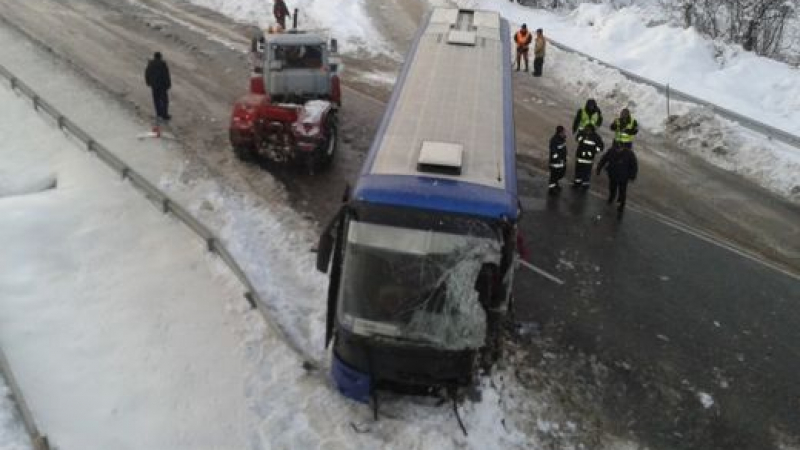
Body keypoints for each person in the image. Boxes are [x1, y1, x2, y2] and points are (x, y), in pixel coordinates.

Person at [597, 142, 638, 215]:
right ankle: (611, 197)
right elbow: (604, 159)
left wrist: (632, 176)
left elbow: (634, 166)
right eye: (617, 148)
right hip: (612, 174)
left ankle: (621, 204)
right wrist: (599, 168)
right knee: (612, 188)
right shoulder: (611, 151)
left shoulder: (629, 154)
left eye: (620, 148)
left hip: (623, 177)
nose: (618, 150)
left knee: (622, 191)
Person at [572, 124, 604, 189]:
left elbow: (600, 147)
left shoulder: (596, 137)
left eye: (587, 129)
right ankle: (577, 183)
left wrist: (593, 151)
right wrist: (581, 134)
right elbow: (577, 139)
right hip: (581, 157)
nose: (586, 130)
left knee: (586, 172)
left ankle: (585, 184)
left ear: (590, 130)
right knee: (578, 171)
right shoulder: (582, 134)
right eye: (585, 129)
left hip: (588, 158)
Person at [144, 51, 171, 122]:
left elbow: (147, 73)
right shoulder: (163, 64)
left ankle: (159, 113)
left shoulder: (150, 64)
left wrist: (148, 82)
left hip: (154, 85)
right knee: (164, 100)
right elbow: (166, 74)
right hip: (162, 85)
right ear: (160, 57)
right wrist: (168, 84)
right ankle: (164, 114)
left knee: (156, 99)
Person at [548, 125, 568, 195]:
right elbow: (554, 151)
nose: (564, 133)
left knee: (559, 174)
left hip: (561, 162)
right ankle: (552, 188)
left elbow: (563, 150)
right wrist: (557, 159)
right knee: (554, 176)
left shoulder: (562, 139)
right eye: (563, 132)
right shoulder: (554, 140)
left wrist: (564, 160)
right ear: (560, 132)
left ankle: (556, 185)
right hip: (555, 163)